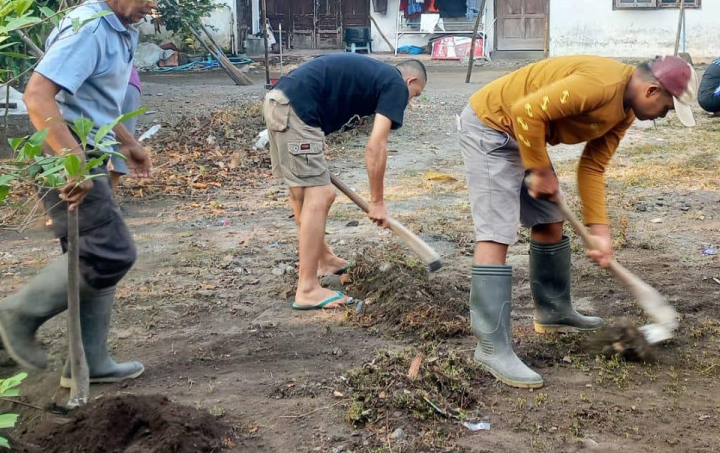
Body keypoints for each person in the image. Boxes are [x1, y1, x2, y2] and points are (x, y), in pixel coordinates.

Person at [456, 55, 696, 388]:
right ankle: (490, 347)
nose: (662, 115)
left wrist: (601, 232)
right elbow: (526, 111)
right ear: (651, 90)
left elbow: (592, 167)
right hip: (493, 127)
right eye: (666, 108)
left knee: (550, 220)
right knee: (496, 234)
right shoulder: (600, 85)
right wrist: (540, 170)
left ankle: (553, 311)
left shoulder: (625, 111)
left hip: (526, 131)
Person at [0, 0, 161, 387]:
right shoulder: (89, 29)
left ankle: (89, 361)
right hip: (64, 149)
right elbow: (38, 96)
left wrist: (128, 143)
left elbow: (93, 100)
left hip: (88, 146)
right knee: (109, 252)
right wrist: (73, 160)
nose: (152, 3)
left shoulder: (120, 28)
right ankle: (16, 314)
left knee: (93, 255)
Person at [264, 53, 427, 311]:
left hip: (279, 101)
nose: (409, 102)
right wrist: (377, 202)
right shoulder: (395, 83)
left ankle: (325, 260)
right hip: (298, 110)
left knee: (301, 194)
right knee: (322, 194)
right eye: (415, 95)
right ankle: (307, 289)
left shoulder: (376, 75)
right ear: (411, 81)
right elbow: (376, 147)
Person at [109, 65, 143, 195]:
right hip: (127, 81)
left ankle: (104, 201)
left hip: (93, 84)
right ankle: (107, 200)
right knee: (117, 151)